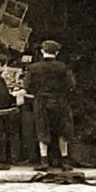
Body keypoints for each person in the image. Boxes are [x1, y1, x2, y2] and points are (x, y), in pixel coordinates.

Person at [24, 39, 76, 172]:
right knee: (62, 130)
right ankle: (64, 161)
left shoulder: (34, 68)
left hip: (41, 101)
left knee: (42, 129)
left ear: (42, 51)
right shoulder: (63, 67)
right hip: (60, 101)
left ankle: (44, 161)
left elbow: (27, 86)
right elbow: (71, 85)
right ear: (57, 53)